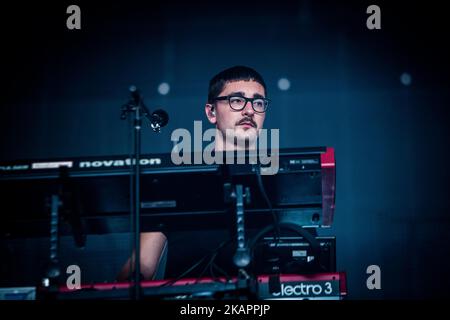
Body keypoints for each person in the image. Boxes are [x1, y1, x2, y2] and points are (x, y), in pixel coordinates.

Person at [117, 65, 269, 281]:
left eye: (258, 102)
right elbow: (141, 265)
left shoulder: (280, 180)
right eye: (237, 100)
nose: (249, 110)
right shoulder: (174, 181)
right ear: (211, 112)